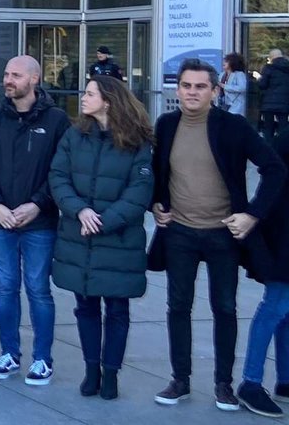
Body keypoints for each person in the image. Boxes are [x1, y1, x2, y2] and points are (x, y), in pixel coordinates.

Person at [151, 58, 286, 412]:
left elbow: (274, 169)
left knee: (224, 308)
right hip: (178, 231)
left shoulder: (233, 127)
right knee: (177, 306)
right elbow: (154, 173)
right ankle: (180, 379)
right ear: (177, 88)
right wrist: (154, 204)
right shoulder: (165, 125)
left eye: (200, 86)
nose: (192, 92)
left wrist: (252, 215)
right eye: (186, 85)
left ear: (215, 90)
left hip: (222, 234)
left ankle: (224, 384)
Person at [49, 75, 154, 401]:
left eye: (90, 93)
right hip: (80, 234)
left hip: (117, 240)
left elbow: (139, 193)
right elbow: (58, 176)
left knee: (118, 310)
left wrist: (103, 221)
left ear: (107, 100)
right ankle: (91, 369)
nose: (83, 97)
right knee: (86, 307)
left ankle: (111, 373)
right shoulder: (74, 135)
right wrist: (79, 211)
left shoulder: (138, 143)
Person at [0, 56, 70, 385]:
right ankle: (9, 353)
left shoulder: (58, 120)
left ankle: (42, 359)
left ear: (35, 79)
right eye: (5, 74)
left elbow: (60, 171)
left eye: (15, 75)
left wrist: (36, 204)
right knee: (5, 289)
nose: (8, 80)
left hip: (39, 222)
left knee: (38, 290)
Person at [236, 130, 289, 417]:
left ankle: (285, 380)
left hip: (279, 235)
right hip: (282, 237)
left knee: (284, 311)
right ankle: (251, 383)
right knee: (276, 306)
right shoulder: (284, 140)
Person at [218, 53, 249, 118]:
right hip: (224, 103)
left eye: (226, 61)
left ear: (233, 62)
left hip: (236, 104)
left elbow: (242, 88)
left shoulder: (239, 74)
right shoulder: (222, 74)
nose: (223, 63)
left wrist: (224, 86)